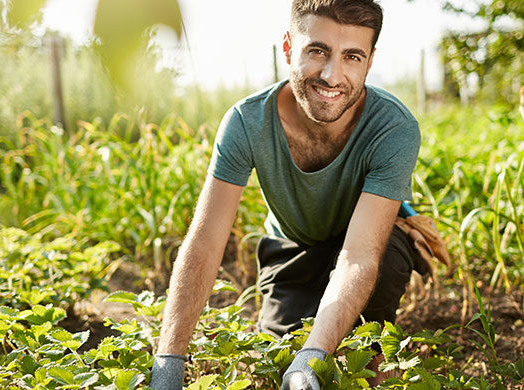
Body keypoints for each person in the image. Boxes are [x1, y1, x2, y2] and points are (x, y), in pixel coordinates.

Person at [150, 0, 423, 388]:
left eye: (352, 57)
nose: (332, 75)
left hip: (361, 243)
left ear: (370, 61)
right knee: (280, 364)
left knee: (345, 352)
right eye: (317, 51)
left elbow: (359, 255)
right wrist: (169, 361)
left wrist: (313, 355)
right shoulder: (247, 122)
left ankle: (372, 359)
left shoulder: (394, 128)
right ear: (288, 48)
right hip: (291, 248)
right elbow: (206, 241)